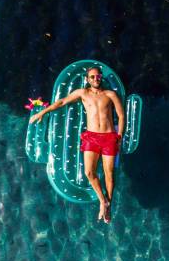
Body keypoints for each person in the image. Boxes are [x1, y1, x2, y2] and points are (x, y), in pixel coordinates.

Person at [29, 67, 125, 223]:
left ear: (101, 78)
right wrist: (42, 112)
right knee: (89, 172)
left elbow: (121, 116)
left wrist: (119, 136)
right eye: (92, 77)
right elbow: (61, 102)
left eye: (98, 76)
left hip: (109, 137)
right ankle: (103, 201)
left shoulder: (110, 94)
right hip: (91, 137)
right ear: (87, 79)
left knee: (109, 173)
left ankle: (108, 205)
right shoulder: (82, 93)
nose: (96, 79)